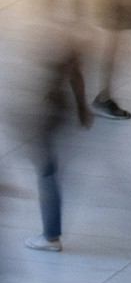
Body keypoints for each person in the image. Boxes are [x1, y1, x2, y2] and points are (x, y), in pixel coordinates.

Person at [23, 17, 93, 251]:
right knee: (48, 172)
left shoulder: (60, 40)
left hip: (49, 116)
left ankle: (51, 236)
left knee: (47, 174)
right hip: (56, 114)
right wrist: (82, 107)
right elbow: (75, 74)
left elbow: (70, 73)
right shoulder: (67, 38)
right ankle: (51, 234)